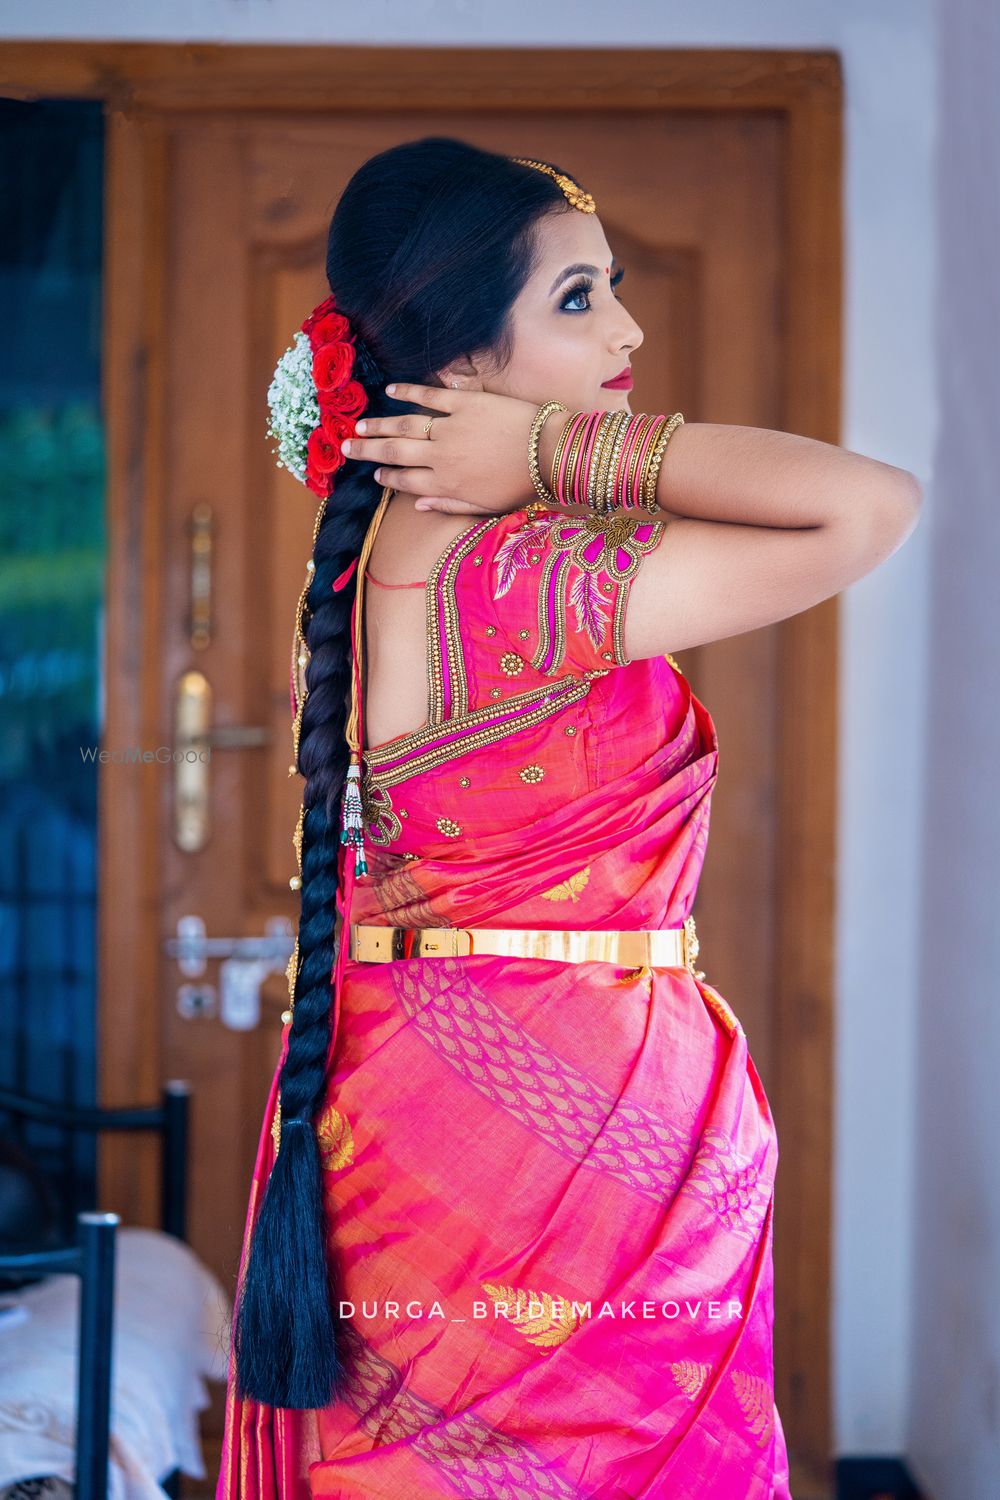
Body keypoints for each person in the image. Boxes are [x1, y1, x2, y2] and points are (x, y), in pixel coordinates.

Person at [217, 136, 921, 1500]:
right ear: (460, 353)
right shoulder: (516, 569)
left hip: (413, 1096)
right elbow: (866, 507)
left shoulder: (375, 560)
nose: (631, 329)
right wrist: (549, 445)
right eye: (581, 297)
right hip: (576, 1121)